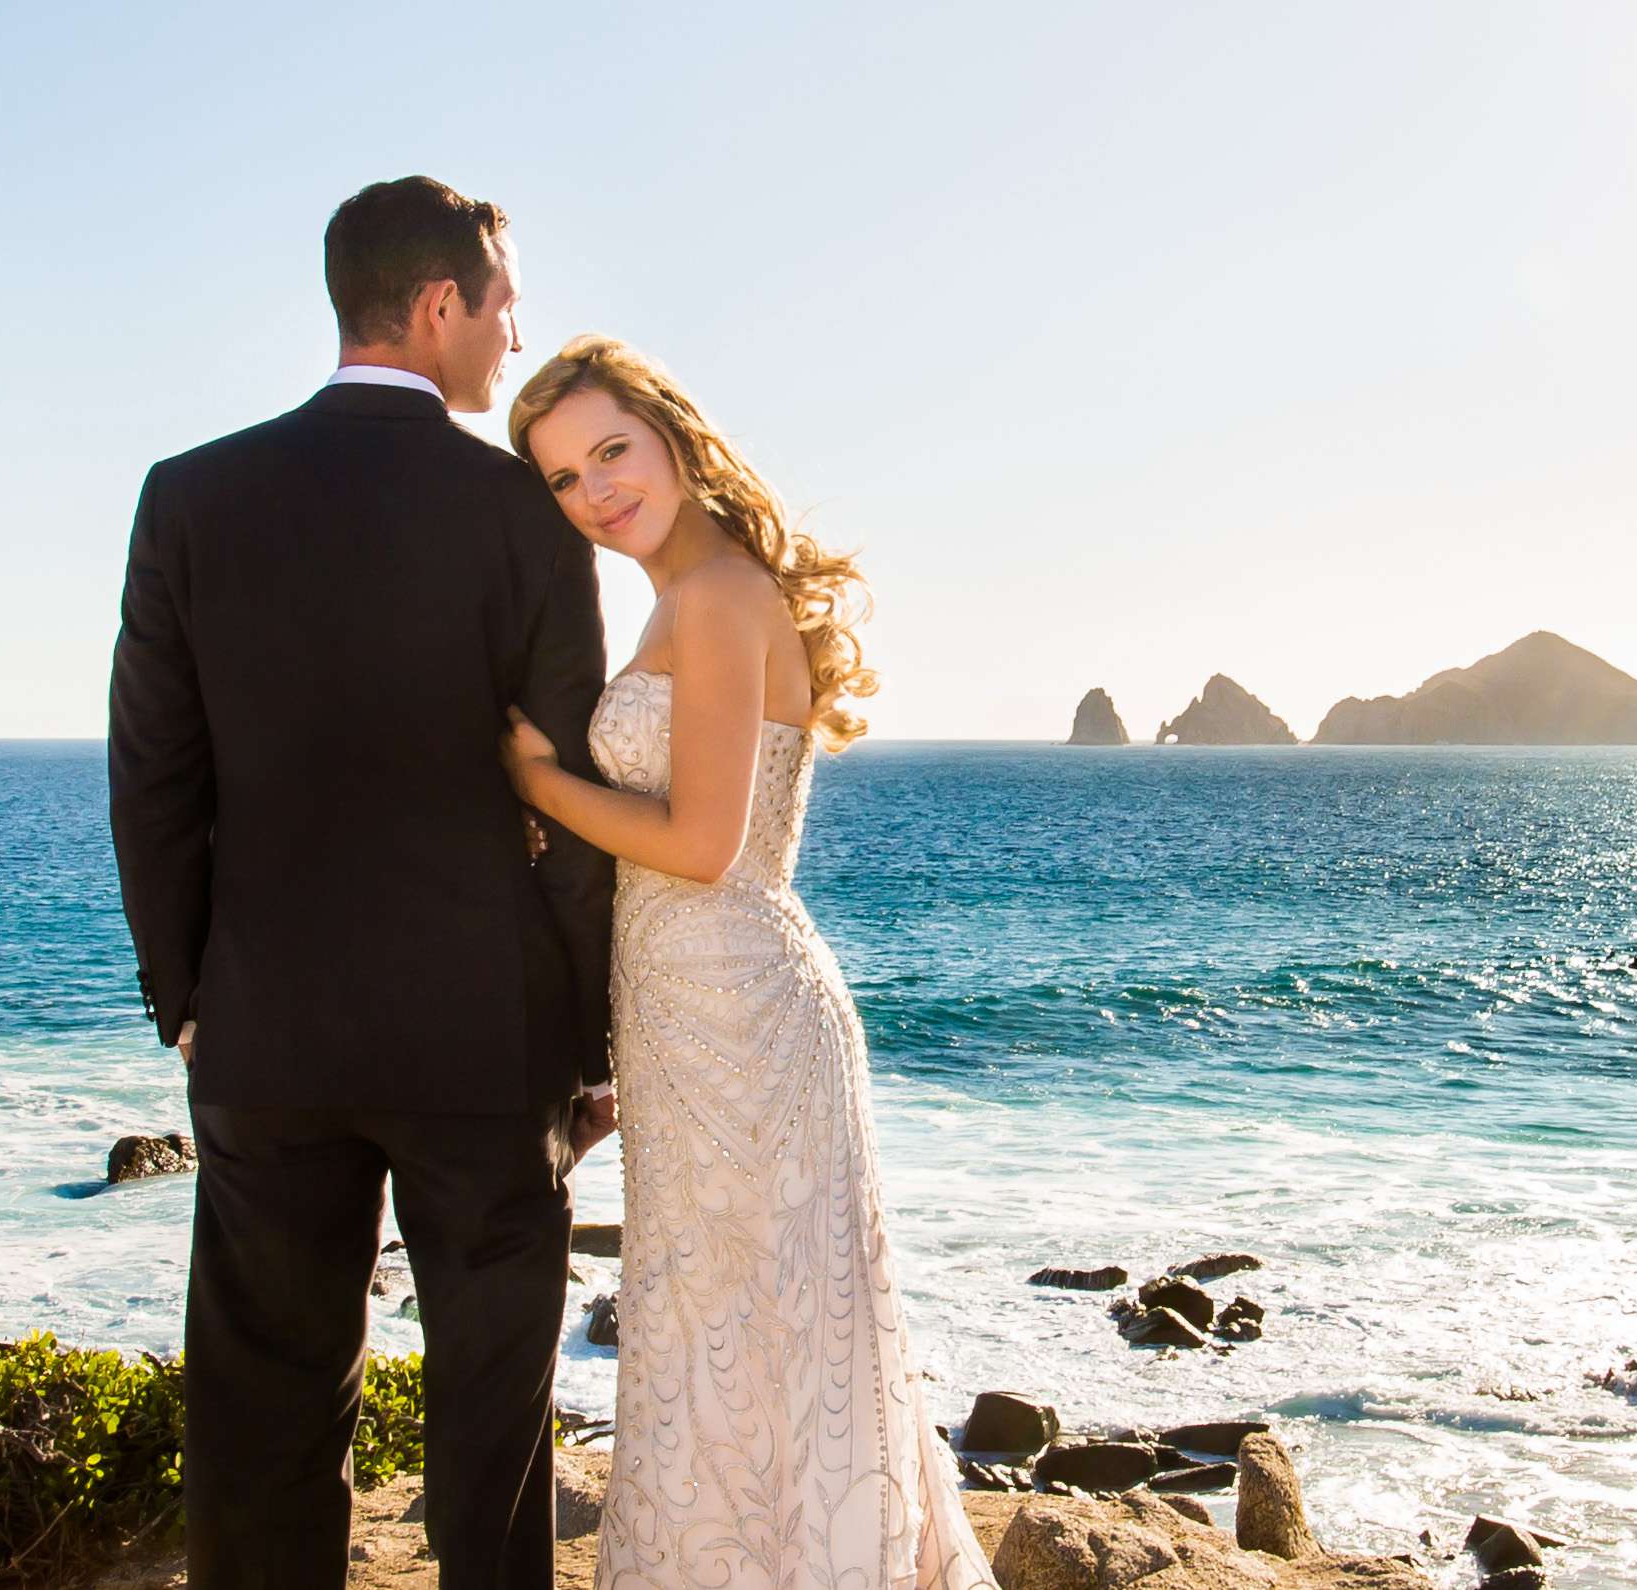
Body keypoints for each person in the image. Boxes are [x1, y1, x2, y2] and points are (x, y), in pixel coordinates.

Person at [108, 176, 614, 1589]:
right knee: (493, 1425)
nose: (514, 336)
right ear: (441, 304)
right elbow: (569, 795)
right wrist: (590, 1041)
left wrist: (188, 996)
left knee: (263, 1411)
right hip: (484, 1034)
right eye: (504, 304)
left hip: (266, 1030)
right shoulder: (526, 514)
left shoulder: (191, 496)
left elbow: (154, 781)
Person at [500, 335, 998, 1589]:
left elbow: (705, 844)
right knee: (732, 1330)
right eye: (563, 478)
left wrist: (540, 782)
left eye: (611, 450)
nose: (597, 491)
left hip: (743, 1012)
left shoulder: (717, 593)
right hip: (692, 1011)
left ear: (670, 432)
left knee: (758, 1333)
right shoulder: (688, 594)